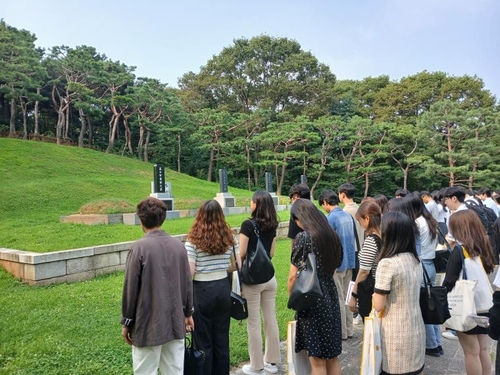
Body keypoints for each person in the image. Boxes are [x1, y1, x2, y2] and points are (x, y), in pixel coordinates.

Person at [121, 197, 194, 374]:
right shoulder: (178, 246)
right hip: (175, 321)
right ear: (163, 218)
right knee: (175, 370)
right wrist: (188, 313)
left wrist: (127, 321)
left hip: (147, 324)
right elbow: (187, 283)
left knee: (145, 370)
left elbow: (131, 289)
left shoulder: (139, 248)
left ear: (141, 220)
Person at [287, 199, 343, 375]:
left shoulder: (304, 237)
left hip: (311, 299)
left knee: (317, 361)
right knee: (332, 356)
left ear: (300, 218)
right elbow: (334, 268)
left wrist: (294, 300)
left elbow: (292, 277)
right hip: (330, 297)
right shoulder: (332, 235)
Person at [185, 200, 237, 375]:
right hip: (223, 288)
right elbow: (237, 265)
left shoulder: (193, 240)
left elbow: (189, 271)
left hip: (201, 290)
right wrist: (220, 268)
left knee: (203, 340)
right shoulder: (230, 237)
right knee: (221, 339)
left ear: (200, 215)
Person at [443, 210, 496, 375]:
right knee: (483, 349)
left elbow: (449, 281)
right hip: (485, 306)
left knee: (471, 352)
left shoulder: (459, 251)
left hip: (467, 308)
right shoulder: (484, 247)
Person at [373, 211, 425, 375]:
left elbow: (378, 305)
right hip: (416, 328)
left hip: (394, 333)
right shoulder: (415, 259)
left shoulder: (387, 264)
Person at [239, 191, 281, 375]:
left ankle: (256, 366)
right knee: (270, 319)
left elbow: (241, 253)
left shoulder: (247, 225)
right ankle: (271, 362)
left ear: (256, 204)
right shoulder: (273, 225)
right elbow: (271, 253)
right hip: (269, 278)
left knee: (253, 323)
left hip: (252, 281)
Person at [407, 192, 443, 357]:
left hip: (422, 265)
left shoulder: (417, 223)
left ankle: (431, 345)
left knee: (425, 305)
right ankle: (437, 341)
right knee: (432, 303)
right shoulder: (430, 221)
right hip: (431, 264)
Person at [318, 189, 356, 340]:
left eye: (323, 205)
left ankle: (342, 332)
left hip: (337, 264)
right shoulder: (347, 216)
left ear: (326, 203)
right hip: (350, 262)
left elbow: (329, 245)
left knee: (339, 298)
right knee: (348, 297)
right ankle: (350, 329)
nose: (323, 208)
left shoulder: (330, 219)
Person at [349, 201, 382, 321]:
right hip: (383, 288)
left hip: (373, 291)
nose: (361, 224)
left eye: (360, 221)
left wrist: (354, 295)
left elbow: (364, 272)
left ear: (367, 218)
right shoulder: (386, 235)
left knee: (372, 330)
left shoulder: (371, 241)